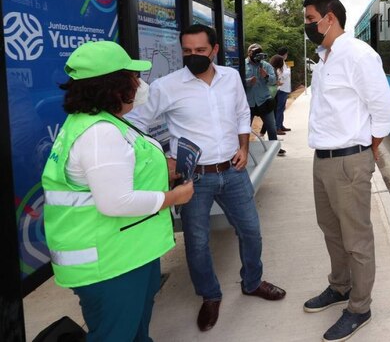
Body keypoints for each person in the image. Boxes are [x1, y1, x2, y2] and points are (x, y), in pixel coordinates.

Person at [126, 24, 285, 333]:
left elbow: (241, 113)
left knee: (251, 230)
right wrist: (163, 158)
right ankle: (210, 296)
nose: (193, 56)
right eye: (187, 51)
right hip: (194, 179)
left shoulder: (231, 78)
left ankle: (252, 282)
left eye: (200, 50)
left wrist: (243, 146)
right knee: (197, 243)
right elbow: (133, 124)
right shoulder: (166, 86)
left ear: (214, 50)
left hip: (233, 170)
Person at [42, 41, 194, 342]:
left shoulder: (99, 123)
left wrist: (164, 169)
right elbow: (115, 201)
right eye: (132, 78)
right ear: (113, 86)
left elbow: (121, 171)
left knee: (134, 332)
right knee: (116, 334)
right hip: (110, 263)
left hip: (128, 252)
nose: (139, 85)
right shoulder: (99, 133)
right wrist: (173, 198)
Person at [301, 0, 390, 342]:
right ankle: (340, 287)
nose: (308, 24)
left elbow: (385, 111)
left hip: (348, 160)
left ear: (329, 18)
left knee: (356, 239)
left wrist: (366, 151)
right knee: (330, 230)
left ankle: (359, 307)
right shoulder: (324, 58)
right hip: (323, 159)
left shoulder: (357, 54)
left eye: (310, 18)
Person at [245, 43, 285, 156]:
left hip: (264, 101)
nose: (258, 57)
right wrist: (248, 82)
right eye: (255, 54)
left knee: (271, 126)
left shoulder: (266, 66)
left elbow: (274, 81)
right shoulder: (243, 65)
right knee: (245, 128)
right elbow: (237, 81)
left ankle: (275, 147)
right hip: (249, 103)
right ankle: (244, 149)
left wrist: (266, 76)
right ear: (250, 53)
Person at [274, 46, 292, 133]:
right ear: (285, 54)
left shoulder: (283, 62)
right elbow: (281, 74)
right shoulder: (280, 62)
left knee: (282, 108)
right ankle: (277, 127)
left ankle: (280, 125)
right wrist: (288, 70)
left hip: (284, 88)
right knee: (279, 108)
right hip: (281, 88)